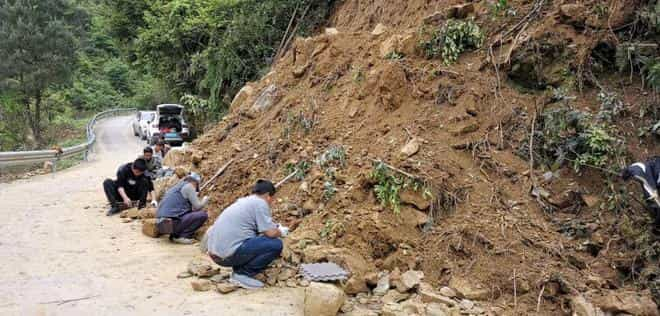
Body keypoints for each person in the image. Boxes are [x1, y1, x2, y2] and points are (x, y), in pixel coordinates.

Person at [206, 180, 289, 289]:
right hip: (226, 257)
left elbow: (256, 227)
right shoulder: (260, 203)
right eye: (272, 199)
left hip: (216, 254)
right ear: (269, 196)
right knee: (275, 244)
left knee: (255, 239)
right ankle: (243, 274)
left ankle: (238, 270)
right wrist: (281, 231)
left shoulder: (245, 201)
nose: (271, 202)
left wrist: (274, 227)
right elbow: (270, 233)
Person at [156, 172, 209, 244]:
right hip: (169, 223)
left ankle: (174, 235)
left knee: (188, 214)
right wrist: (205, 200)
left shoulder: (177, 187)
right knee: (202, 215)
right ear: (195, 183)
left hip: (161, 224)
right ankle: (182, 236)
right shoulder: (189, 187)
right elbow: (198, 206)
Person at [621, 156, 660, 235]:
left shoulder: (637, 172)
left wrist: (654, 192)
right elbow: (648, 184)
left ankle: (657, 223)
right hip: (648, 170)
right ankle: (656, 222)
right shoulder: (635, 172)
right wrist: (654, 193)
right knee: (652, 198)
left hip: (651, 170)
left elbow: (649, 182)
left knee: (653, 197)